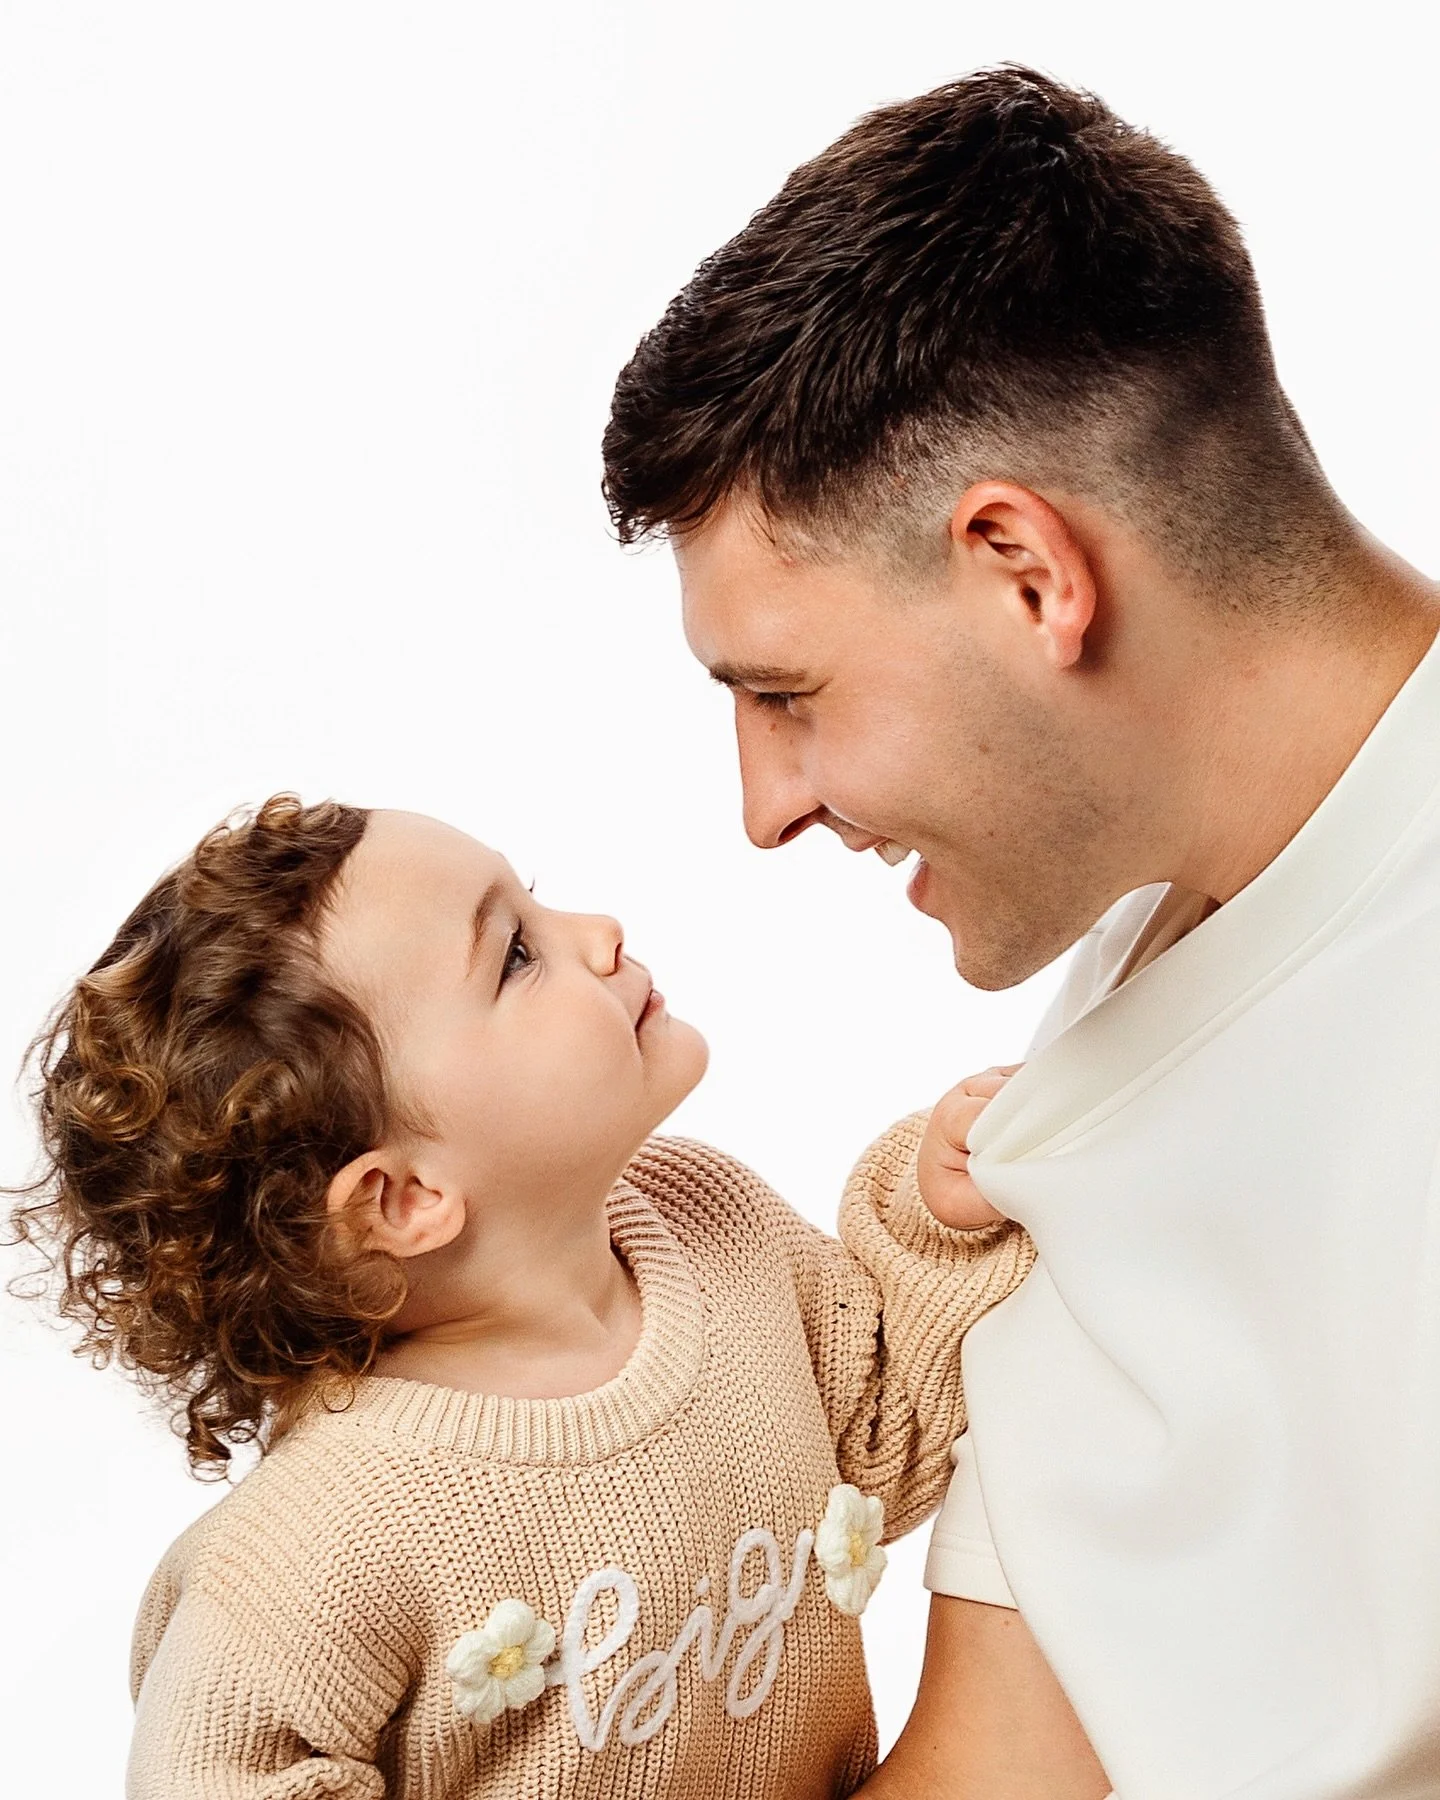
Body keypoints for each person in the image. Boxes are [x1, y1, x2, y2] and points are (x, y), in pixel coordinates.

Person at [602, 65, 1440, 1799]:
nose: (764, 806)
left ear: (1028, 572)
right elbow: (999, 1759)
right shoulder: (1130, 998)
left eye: (787, 693)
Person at [9, 794, 1032, 1799]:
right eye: (515, 955)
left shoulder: (708, 1226)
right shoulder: (312, 1549)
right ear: (403, 1199)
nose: (600, 931)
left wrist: (938, 1220)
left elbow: (891, 1439)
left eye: (535, 900)